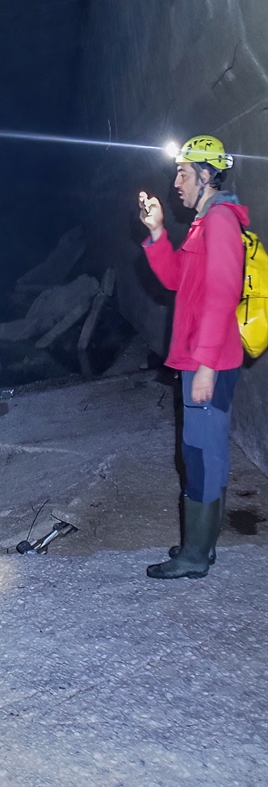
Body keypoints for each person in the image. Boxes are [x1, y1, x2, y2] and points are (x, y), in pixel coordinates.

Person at [137, 134, 247, 579]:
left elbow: (223, 293)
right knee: (203, 452)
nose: (176, 183)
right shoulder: (204, 223)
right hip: (203, 359)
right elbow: (177, 279)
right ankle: (202, 545)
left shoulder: (220, 221)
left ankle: (195, 556)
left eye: (182, 174)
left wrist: (204, 364)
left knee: (202, 454)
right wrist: (158, 232)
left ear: (205, 175)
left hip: (211, 361)